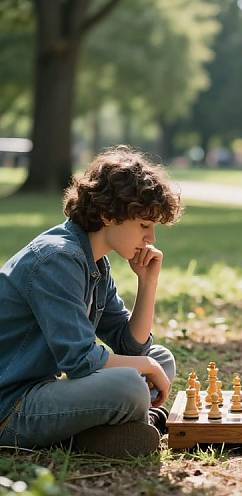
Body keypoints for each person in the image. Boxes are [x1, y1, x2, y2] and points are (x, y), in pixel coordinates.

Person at [0, 146, 182, 457]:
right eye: (144, 225)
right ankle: (106, 430)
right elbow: (81, 361)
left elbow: (131, 347)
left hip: (42, 390)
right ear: (109, 215)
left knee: (160, 358)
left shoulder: (94, 262)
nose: (151, 239)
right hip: (10, 407)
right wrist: (144, 367)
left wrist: (147, 283)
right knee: (130, 384)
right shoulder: (57, 258)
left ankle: (105, 430)